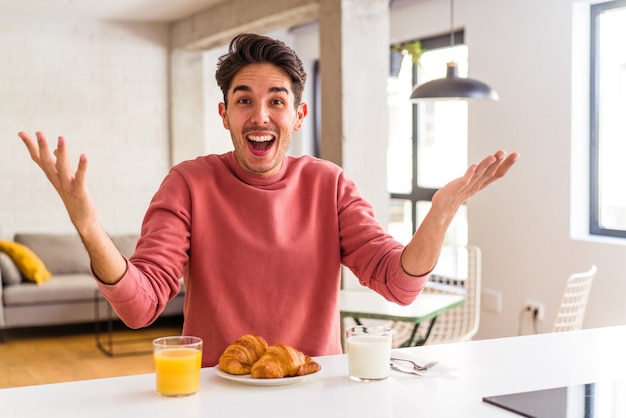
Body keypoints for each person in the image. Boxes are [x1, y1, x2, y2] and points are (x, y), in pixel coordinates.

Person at [18, 33, 519, 367]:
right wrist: (88, 226)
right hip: (217, 391)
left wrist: (440, 213)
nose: (260, 115)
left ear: (298, 115)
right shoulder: (188, 184)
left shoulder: (330, 185)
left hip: (314, 389)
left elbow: (399, 284)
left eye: (276, 100)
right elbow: (141, 305)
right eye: (244, 100)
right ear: (224, 113)